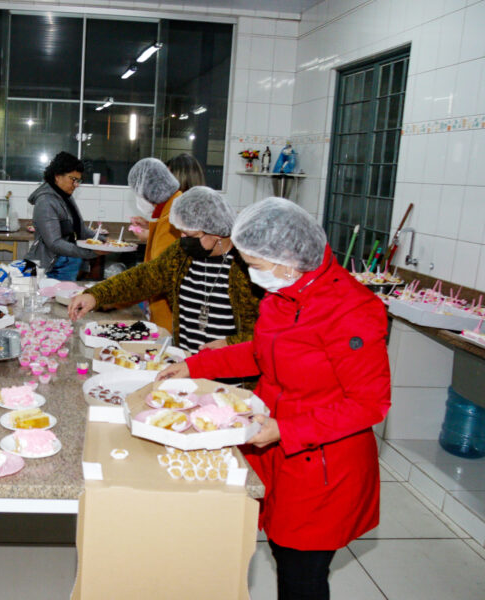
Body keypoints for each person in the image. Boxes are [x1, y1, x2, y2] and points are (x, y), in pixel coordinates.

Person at [159, 197, 391, 600]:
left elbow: (369, 403)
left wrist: (287, 429)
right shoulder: (287, 293)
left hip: (321, 462)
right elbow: (261, 353)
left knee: (301, 572)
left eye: (256, 266)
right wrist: (197, 365)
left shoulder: (352, 311)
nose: (251, 274)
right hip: (274, 444)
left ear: (288, 261)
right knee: (269, 543)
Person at [69, 186, 260, 353]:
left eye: (190, 233)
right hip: (186, 366)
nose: (183, 237)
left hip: (233, 380)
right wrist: (96, 295)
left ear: (217, 231)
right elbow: (143, 278)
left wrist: (231, 343)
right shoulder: (182, 254)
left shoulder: (248, 265)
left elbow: (269, 334)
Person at [24, 151, 103, 281]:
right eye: (73, 179)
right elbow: (54, 243)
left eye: (79, 180)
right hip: (52, 267)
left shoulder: (66, 197)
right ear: (57, 176)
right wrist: (91, 252)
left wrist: (104, 241)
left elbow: (80, 229)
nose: (76, 185)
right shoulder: (45, 202)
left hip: (68, 264)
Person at [124, 158, 183, 331]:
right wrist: (151, 227)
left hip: (168, 316)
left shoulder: (172, 217)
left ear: (149, 191)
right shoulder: (172, 206)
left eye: (138, 194)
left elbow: (154, 275)